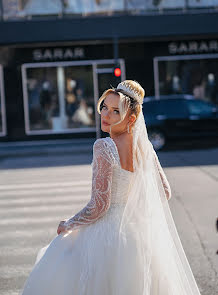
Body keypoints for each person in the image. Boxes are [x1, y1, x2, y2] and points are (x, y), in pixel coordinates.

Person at [19, 80, 202, 295]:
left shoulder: (104, 146)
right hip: (138, 232)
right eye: (104, 107)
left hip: (107, 235)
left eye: (116, 111)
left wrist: (69, 223)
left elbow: (100, 205)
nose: (105, 115)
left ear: (131, 118)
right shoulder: (146, 148)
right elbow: (165, 191)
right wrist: (135, 206)